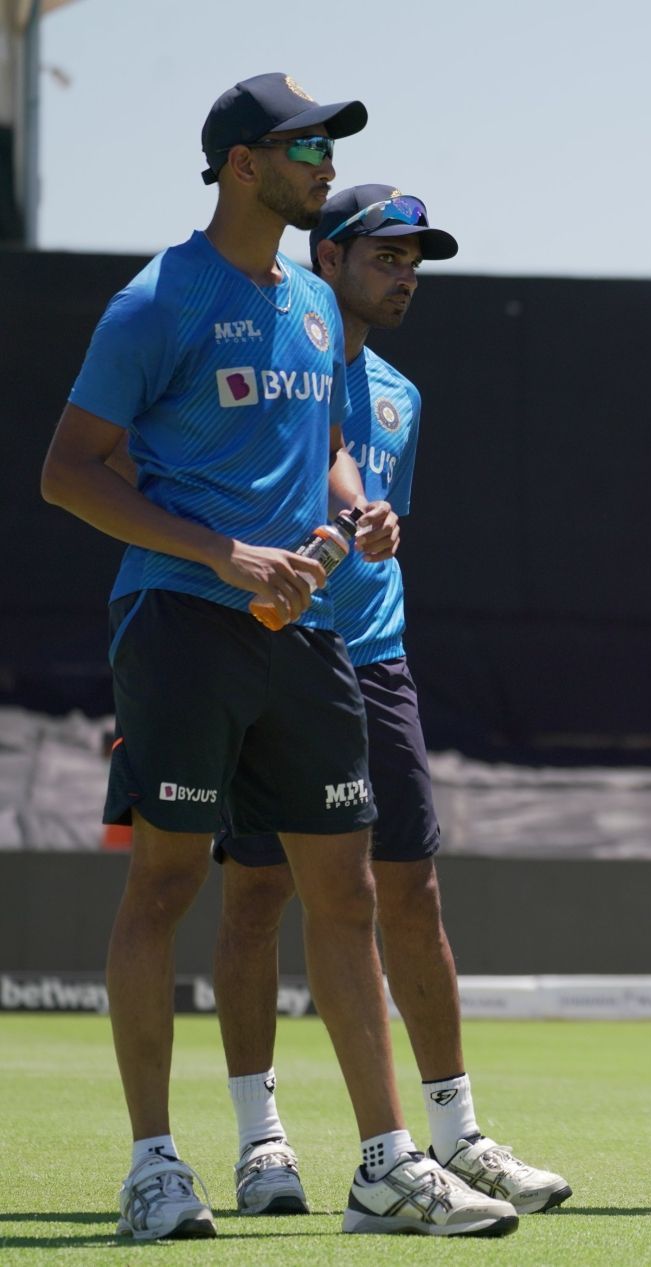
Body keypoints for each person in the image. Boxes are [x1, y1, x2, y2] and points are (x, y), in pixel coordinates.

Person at [38, 74, 517, 1240]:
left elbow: (332, 440)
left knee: (345, 897)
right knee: (167, 881)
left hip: (307, 639)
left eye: (327, 145)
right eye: (305, 146)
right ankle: (156, 1166)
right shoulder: (158, 299)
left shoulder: (310, 300)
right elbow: (69, 471)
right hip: (181, 623)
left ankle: (385, 1166)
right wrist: (226, 555)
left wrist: (360, 509)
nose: (323, 162)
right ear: (241, 165)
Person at [206, 185, 570, 1220]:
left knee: (411, 894)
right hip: (267, 650)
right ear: (327, 258)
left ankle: (457, 1136)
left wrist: (366, 526)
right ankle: (259, 1141)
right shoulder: (273, 366)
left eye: (416, 259)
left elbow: (370, 521)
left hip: (373, 661)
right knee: (255, 895)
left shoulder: (404, 395)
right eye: (385, 255)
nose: (405, 273)